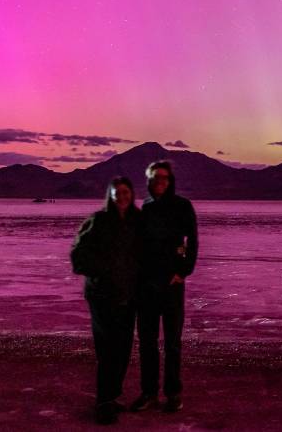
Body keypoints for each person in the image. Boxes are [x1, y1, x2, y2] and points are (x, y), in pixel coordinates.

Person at [70, 176, 142, 425]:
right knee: (107, 349)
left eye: (126, 192)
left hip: (128, 296)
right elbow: (78, 256)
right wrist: (104, 271)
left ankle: (112, 395)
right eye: (117, 192)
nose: (122, 196)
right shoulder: (98, 221)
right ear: (110, 196)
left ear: (132, 194)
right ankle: (103, 401)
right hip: (102, 297)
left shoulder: (136, 221)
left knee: (122, 349)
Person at [130, 160, 199, 413]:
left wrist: (183, 271)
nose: (160, 182)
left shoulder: (182, 206)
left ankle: (173, 394)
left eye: (164, 178)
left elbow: (191, 240)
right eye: (155, 178)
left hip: (171, 285)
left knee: (172, 342)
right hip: (146, 286)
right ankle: (148, 393)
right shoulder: (145, 208)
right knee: (147, 342)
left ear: (170, 181)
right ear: (149, 181)